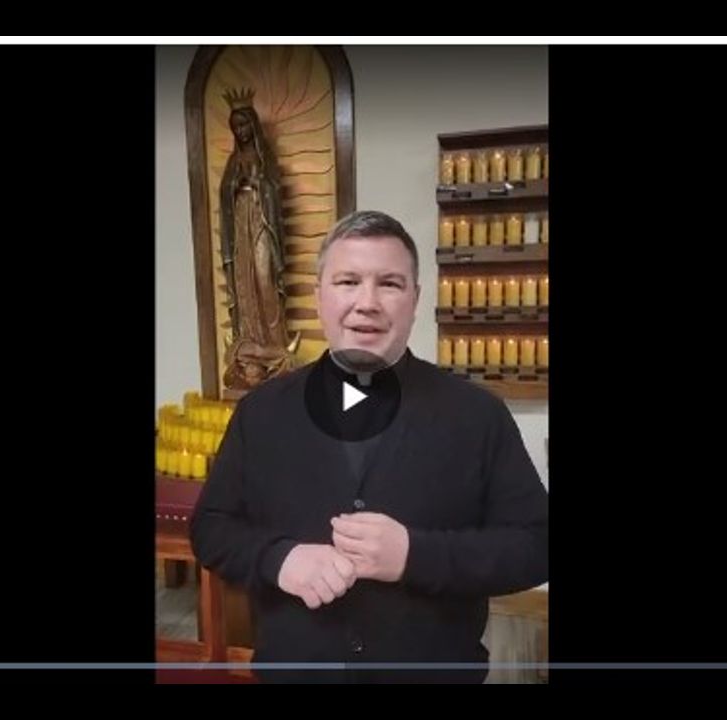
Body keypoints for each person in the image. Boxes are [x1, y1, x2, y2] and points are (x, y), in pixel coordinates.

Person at [191, 210, 549, 683]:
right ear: (319, 296)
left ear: (415, 299)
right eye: (348, 281)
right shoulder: (260, 413)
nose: (367, 303)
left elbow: (536, 544)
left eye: (390, 284)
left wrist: (415, 555)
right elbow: (211, 528)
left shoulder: (478, 415)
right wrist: (279, 559)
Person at [218, 88, 292, 389]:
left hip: (261, 223)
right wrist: (235, 184)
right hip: (241, 228)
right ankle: (249, 341)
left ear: (253, 124)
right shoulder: (232, 161)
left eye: (244, 124)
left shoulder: (265, 159)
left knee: (264, 280)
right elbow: (224, 194)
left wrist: (259, 183)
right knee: (245, 283)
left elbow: (273, 188)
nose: (241, 131)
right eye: (236, 127)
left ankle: (273, 342)